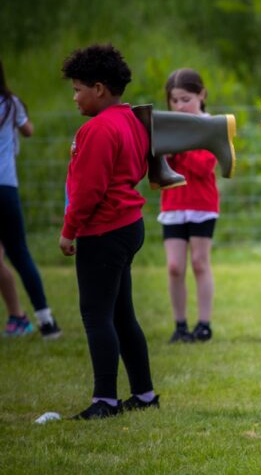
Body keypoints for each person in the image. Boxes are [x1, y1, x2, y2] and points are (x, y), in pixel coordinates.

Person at [60, 44, 158, 419]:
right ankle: (145, 395)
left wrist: (69, 231)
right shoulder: (132, 120)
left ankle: (104, 401)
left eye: (77, 89)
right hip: (128, 225)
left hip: (103, 230)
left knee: (96, 315)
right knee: (121, 314)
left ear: (99, 88)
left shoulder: (97, 129)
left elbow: (88, 191)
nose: (74, 97)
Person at [0, 60, 61, 338]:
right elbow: (29, 130)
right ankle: (45, 321)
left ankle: (20, 319)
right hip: (6, 189)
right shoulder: (11, 103)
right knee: (20, 254)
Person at [159, 68, 219, 343]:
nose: (180, 105)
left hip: (202, 204)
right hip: (173, 204)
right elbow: (159, 170)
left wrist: (178, 152)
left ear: (201, 95)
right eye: (175, 100)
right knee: (174, 266)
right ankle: (180, 325)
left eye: (186, 99)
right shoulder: (165, 128)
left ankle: (204, 324)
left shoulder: (211, 126)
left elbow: (205, 166)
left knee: (199, 262)